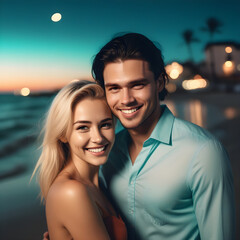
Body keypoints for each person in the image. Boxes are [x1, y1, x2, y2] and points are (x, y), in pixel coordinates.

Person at [43, 33, 235, 240]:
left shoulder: (202, 153)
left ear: (160, 82)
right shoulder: (106, 151)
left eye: (137, 85)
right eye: (114, 88)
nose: (126, 99)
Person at [33, 80, 127, 240]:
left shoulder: (98, 184)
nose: (98, 138)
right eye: (83, 127)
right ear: (63, 134)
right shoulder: (71, 192)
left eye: (105, 124)